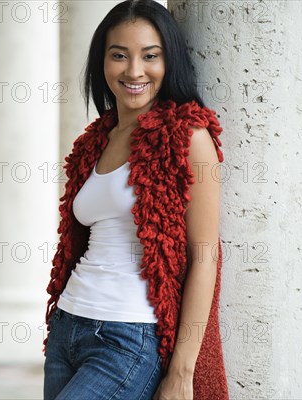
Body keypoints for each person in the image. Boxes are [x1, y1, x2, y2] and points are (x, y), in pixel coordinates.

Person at [42, 0, 230, 399]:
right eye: (119, 56)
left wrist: (182, 372)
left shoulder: (188, 138)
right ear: (102, 62)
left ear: (169, 61)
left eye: (150, 56)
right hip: (68, 326)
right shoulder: (96, 140)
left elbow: (205, 257)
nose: (133, 71)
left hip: (130, 337)